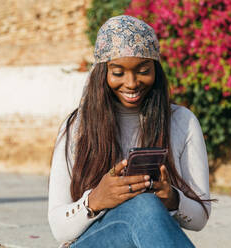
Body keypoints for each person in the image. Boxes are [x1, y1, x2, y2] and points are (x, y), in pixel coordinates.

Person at [48, 15, 212, 248]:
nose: (132, 82)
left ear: (156, 70)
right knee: (143, 204)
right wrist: (95, 200)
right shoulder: (77, 126)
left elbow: (199, 218)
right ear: (102, 74)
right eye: (118, 73)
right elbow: (58, 228)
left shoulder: (181, 122)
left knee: (146, 204)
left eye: (143, 70)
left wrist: (171, 198)